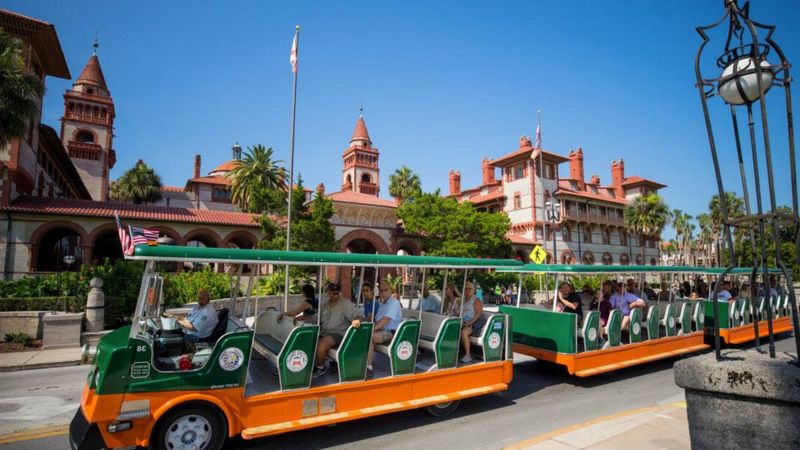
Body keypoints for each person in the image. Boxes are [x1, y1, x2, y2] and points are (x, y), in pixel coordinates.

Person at [313, 283, 365, 378]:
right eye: (332, 289)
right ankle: (314, 365)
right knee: (309, 341)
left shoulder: (345, 303)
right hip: (325, 333)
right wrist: (303, 318)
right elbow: (315, 318)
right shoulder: (325, 305)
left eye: (337, 289)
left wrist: (357, 320)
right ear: (328, 292)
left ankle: (320, 368)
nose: (335, 291)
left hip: (339, 334)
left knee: (321, 345)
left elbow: (359, 314)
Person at [366, 282, 403, 373]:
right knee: (363, 335)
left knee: (368, 336)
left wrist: (371, 329)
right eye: (381, 291)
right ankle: (363, 362)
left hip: (391, 333)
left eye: (386, 290)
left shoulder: (394, 303)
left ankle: (368, 367)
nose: (383, 293)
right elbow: (377, 320)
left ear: (391, 291)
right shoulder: (383, 304)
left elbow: (385, 320)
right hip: (382, 331)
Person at [459, 282, 486, 363]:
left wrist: (469, 323)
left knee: (464, 332)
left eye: (469, 288)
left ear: (473, 290)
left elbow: (478, 313)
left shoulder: (476, 300)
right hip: (462, 322)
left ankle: (468, 355)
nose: (467, 290)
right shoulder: (463, 300)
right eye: (465, 289)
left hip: (474, 324)